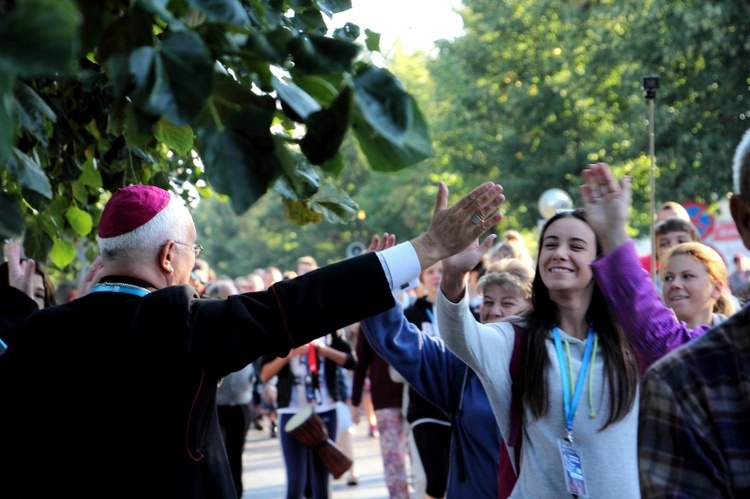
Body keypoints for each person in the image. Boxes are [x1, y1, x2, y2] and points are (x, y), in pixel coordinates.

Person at [0, 180, 505, 497]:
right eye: (193, 252)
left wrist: (19, 304)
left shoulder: (36, 332)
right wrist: (428, 247)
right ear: (168, 255)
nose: (194, 265)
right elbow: (300, 304)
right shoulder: (182, 324)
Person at [436, 163, 718, 497]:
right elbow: (460, 336)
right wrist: (453, 277)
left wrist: (616, 233)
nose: (559, 254)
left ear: (601, 261)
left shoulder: (633, 339)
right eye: (551, 244)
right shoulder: (517, 337)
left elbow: (665, 340)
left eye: (576, 246)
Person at [360, 255, 533, 498]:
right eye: (489, 301)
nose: (494, 311)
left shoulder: (552, 366)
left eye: (507, 303)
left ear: (531, 311)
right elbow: (399, 341)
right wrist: (372, 276)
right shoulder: (461, 368)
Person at [637, 128, 750, 496]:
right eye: (669, 276)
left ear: (718, 286)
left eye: (688, 276)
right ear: (743, 217)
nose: (676, 285)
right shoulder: (680, 381)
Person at [259, 329, 356, 499]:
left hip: (325, 408)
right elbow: (264, 374)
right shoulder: (282, 329)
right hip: (292, 411)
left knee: (321, 481)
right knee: (296, 481)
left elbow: (351, 361)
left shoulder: (331, 330)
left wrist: (325, 351)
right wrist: (288, 355)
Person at [402, 261, 452, 499]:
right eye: (430, 272)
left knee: (455, 478)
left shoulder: (461, 311)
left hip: (456, 406)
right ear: (421, 278)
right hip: (424, 405)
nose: (436, 276)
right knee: (436, 481)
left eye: (441, 271)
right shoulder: (411, 314)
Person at [658, 241, 735, 329]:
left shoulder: (738, 337)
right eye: (669, 278)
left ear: (717, 288)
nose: (674, 284)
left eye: (687, 276)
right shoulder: (651, 338)